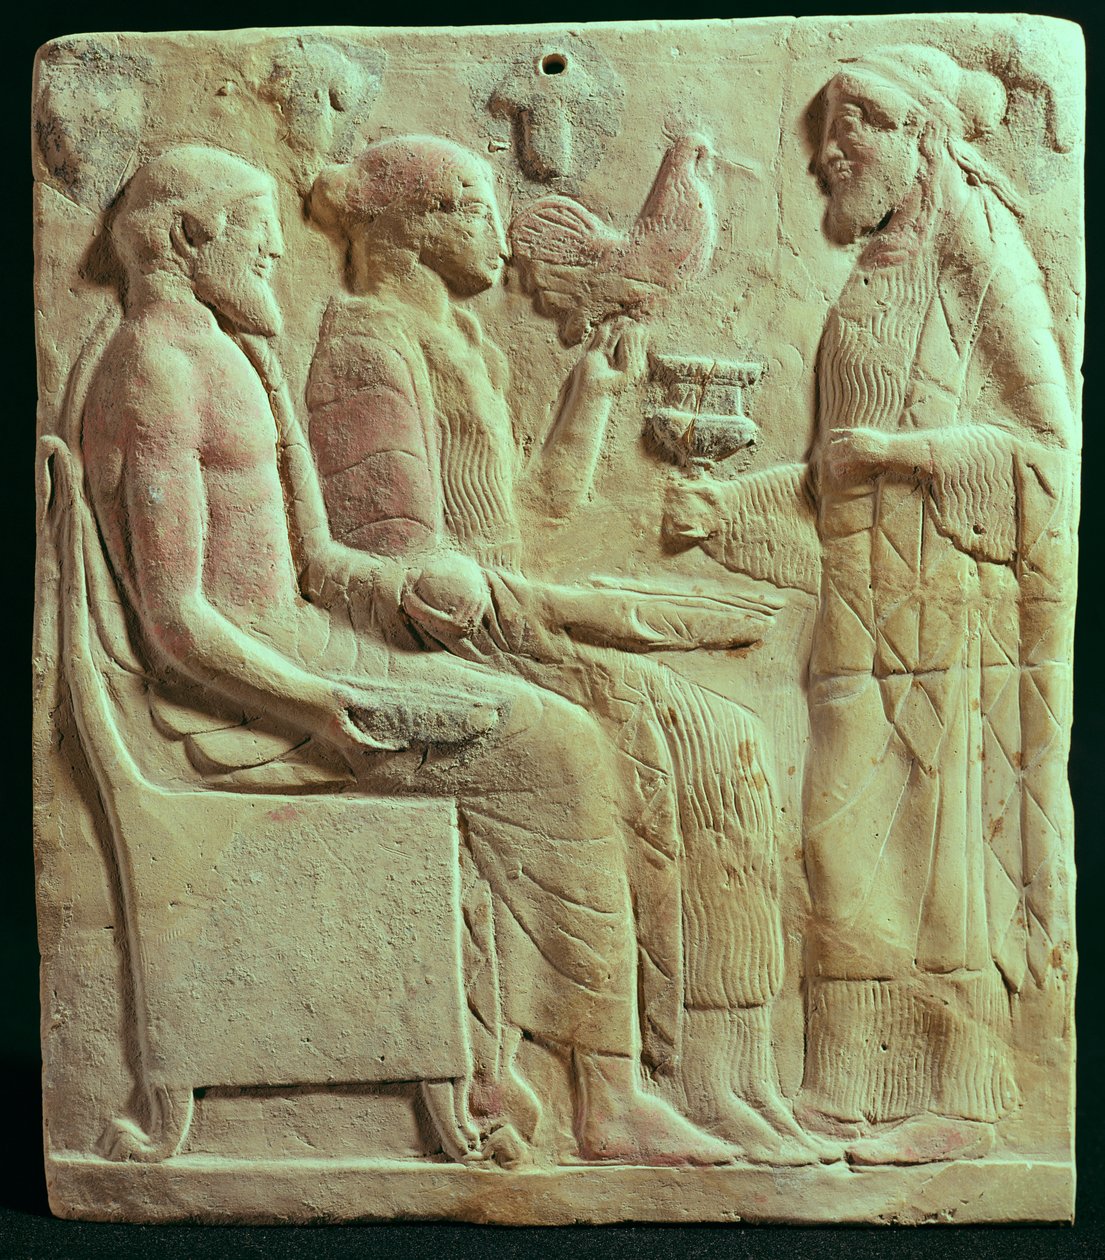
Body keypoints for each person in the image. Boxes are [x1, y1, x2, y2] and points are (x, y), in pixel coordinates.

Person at [79, 144, 734, 1168]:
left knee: (554, 721)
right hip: (246, 689)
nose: (276, 253)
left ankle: (515, 1069)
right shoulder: (153, 372)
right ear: (193, 235)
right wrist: (314, 704)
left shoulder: (237, 354)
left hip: (312, 646)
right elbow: (175, 622)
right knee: (559, 748)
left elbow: (317, 563)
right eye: (259, 234)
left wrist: (408, 590)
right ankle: (604, 1099)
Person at [305, 136, 823, 1164]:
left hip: (504, 622)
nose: (500, 233)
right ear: (411, 228)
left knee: (729, 741)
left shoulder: (464, 342)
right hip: (444, 646)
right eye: (472, 207)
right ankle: (616, 1088)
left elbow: (528, 514)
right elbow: (413, 583)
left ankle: (728, 1078)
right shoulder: (367, 348)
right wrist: (625, 615)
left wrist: (592, 396)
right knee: (674, 731)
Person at [667, 45, 1077, 1165]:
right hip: (859, 606)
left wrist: (909, 453)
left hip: (950, 610)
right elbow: (830, 472)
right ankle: (849, 1090)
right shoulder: (871, 277)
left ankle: (963, 1100)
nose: (826, 157)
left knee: (941, 857)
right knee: (841, 848)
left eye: (854, 131)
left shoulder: (983, 263)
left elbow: (1049, 454)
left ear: (920, 139)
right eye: (823, 137)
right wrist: (726, 506)